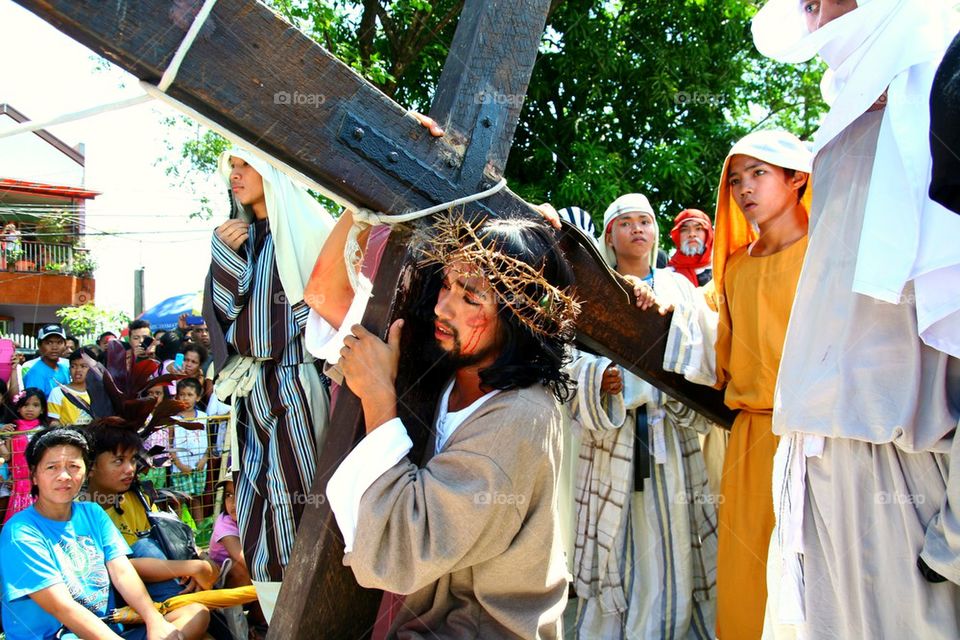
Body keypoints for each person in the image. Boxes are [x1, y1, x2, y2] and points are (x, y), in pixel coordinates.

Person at [752, 2, 960, 637]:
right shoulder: (843, 125)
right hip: (813, 471)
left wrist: (952, 539)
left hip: (907, 485)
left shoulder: (942, 92)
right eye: (807, 5)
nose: (815, 15)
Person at [308, 211, 578, 638]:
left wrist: (379, 396)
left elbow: (403, 550)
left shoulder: (521, 418)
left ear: (521, 317)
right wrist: (366, 206)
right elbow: (323, 293)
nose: (441, 306)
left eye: (470, 298)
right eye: (447, 284)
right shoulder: (450, 368)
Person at [568, 193, 719, 639]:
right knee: (614, 544)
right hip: (612, 441)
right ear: (609, 236)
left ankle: (674, 625)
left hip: (669, 436)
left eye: (646, 221)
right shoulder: (590, 288)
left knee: (674, 538)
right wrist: (600, 378)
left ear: (655, 234)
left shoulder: (679, 287)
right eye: (626, 222)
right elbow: (564, 360)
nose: (638, 229)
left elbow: (705, 348)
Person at [201, 147, 336, 618]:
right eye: (230, 170)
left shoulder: (310, 228)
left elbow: (277, 325)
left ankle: (312, 611)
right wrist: (224, 257)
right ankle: (278, 614)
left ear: (273, 170)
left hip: (294, 380)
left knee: (295, 500)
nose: (235, 176)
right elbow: (222, 324)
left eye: (244, 166)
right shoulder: (235, 237)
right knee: (255, 503)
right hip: (248, 390)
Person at [708, 130, 812, 639]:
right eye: (734, 180)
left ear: (797, 178)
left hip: (819, 443)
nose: (744, 188)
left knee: (813, 588)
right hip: (750, 444)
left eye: (759, 173)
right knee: (748, 585)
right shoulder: (734, 269)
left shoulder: (828, 254)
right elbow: (715, 349)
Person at [0, 426, 209, 640]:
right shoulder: (20, 532)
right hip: (57, 636)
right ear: (34, 475)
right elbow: (63, 607)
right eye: (52, 467)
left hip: (108, 630)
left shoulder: (92, 512)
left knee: (195, 614)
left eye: (73, 466)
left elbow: (123, 572)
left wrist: (153, 619)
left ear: (86, 471)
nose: (64, 476)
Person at [84, 420, 220, 604]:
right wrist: (189, 568)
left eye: (132, 459)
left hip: (160, 588)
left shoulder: (139, 500)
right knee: (144, 547)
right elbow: (118, 567)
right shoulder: (79, 513)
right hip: (113, 598)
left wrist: (203, 562)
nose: (130, 469)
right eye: (118, 461)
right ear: (90, 466)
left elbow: (173, 540)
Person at [2, 387, 50, 523]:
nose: (30, 409)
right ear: (18, 408)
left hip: (40, 482)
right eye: (25, 405)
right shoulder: (13, 430)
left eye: (35, 405)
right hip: (18, 483)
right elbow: (7, 456)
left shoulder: (44, 431)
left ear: (42, 409)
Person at [169, 378, 208, 524]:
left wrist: (204, 459)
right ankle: (178, 528)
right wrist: (179, 464)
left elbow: (208, 440)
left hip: (199, 466)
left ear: (197, 397)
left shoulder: (204, 416)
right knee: (179, 499)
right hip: (180, 467)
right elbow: (170, 443)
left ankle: (201, 529)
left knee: (196, 498)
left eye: (190, 394)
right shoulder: (173, 418)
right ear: (177, 396)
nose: (185, 398)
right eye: (182, 394)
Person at [47, 348, 94, 427]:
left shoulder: (99, 393)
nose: (78, 370)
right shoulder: (58, 392)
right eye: (73, 366)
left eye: (83, 366)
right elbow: (54, 422)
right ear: (69, 369)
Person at [21, 323, 70, 396]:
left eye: (59, 342)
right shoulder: (35, 373)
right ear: (39, 345)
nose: (54, 347)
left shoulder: (65, 369)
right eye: (49, 343)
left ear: (65, 345)